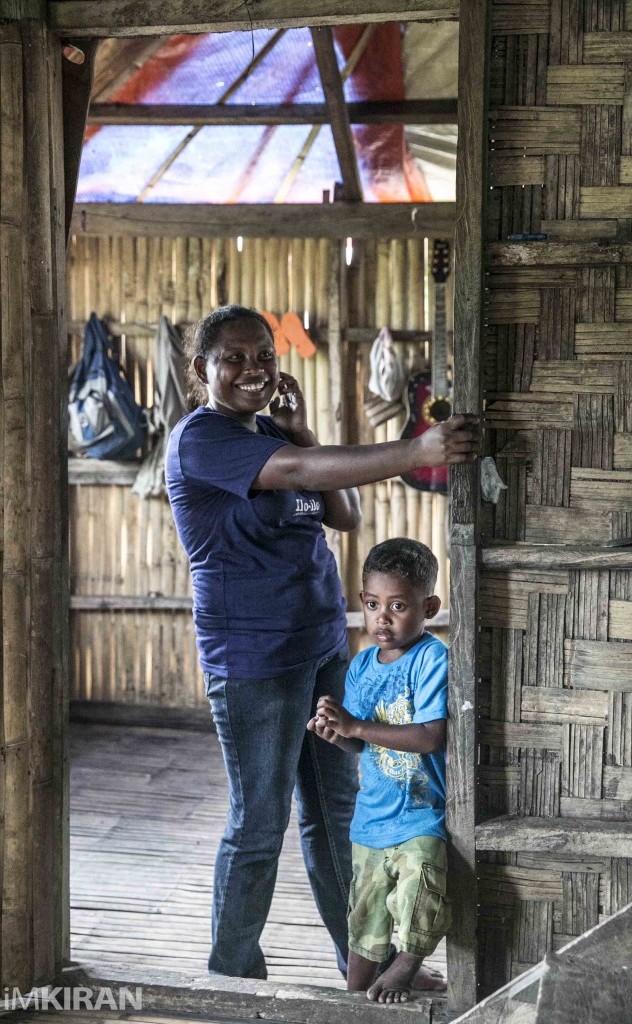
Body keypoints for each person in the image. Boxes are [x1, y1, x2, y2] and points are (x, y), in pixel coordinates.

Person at [165, 304, 480, 982]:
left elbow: (342, 511)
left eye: (264, 357)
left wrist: (302, 429)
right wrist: (415, 450)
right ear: (201, 370)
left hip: (318, 648)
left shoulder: (273, 434)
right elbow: (306, 476)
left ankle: (358, 962)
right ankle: (231, 974)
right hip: (254, 663)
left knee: (336, 810)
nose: (254, 370)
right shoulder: (202, 441)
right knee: (260, 821)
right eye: (235, 359)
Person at [308, 538, 450, 1004]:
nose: (382, 618)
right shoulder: (361, 665)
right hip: (371, 819)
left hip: (419, 813)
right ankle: (353, 999)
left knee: (419, 886)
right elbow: (359, 740)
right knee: (364, 915)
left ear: (428, 606)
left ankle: (406, 967)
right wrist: (338, 732)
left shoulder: (432, 658)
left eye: (398, 606)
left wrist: (356, 724)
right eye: (372, 605)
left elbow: (430, 734)